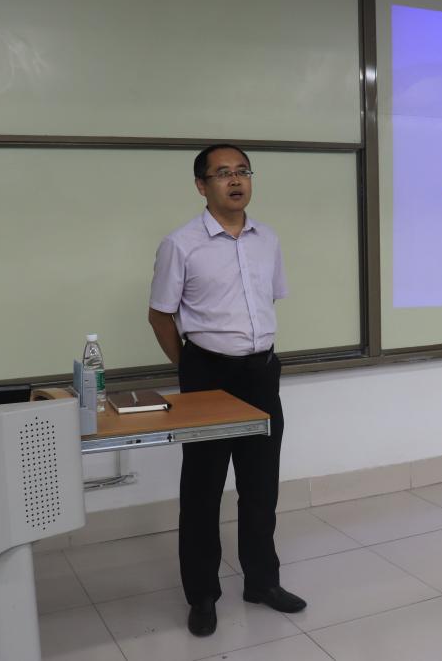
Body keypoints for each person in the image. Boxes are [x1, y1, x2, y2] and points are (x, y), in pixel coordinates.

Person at [147, 144, 306, 638]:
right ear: (202, 185)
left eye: (242, 171)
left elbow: (267, 299)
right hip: (207, 376)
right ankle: (202, 595)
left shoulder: (268, 239)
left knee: (261, 485)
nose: (235, 181)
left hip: (261, 374)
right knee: (203, 490)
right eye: (222, 173)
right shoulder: (181, 244)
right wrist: (192, 370)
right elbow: (160, 314)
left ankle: (262, 581)